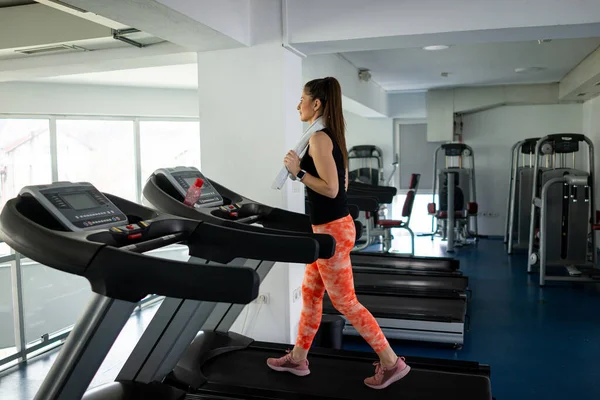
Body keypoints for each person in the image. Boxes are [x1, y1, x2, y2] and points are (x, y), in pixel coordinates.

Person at [266, 76, 411, 390]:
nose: (297, 105)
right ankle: (299, 358)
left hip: (331, 232)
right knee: (311, 295)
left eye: (301, 99)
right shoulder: (327, 136)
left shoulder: (318, 139)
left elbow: (332, 190)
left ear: (316, 103)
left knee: (346, 303)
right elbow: (341, 186)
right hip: (326, 230)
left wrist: (299, 172)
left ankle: (391, 362)